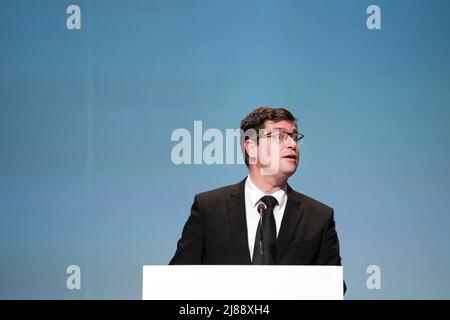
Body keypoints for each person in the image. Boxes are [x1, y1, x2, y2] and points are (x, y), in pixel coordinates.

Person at [170, 107, 344, 279]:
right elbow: (176, 279)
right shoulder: (209, 208)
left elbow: (332, 287)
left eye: (294, 136)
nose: (292, 144)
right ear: (251, 148)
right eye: (280, 136)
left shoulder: (318, 217)